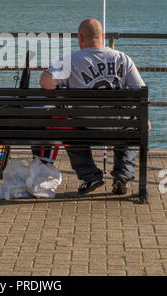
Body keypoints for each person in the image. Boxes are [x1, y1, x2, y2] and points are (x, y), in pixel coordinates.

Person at [39, 18, 151, 195]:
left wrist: (61, 86)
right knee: (131, 125)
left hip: (86, 127)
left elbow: (45, 82)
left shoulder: (71, 61)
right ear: (103, 36)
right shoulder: (123, 58)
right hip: (120, 127)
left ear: (80, 38)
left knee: (70, 129)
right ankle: (122, 176)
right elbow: (142, 92)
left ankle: (91, 176)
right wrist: (145, 119)